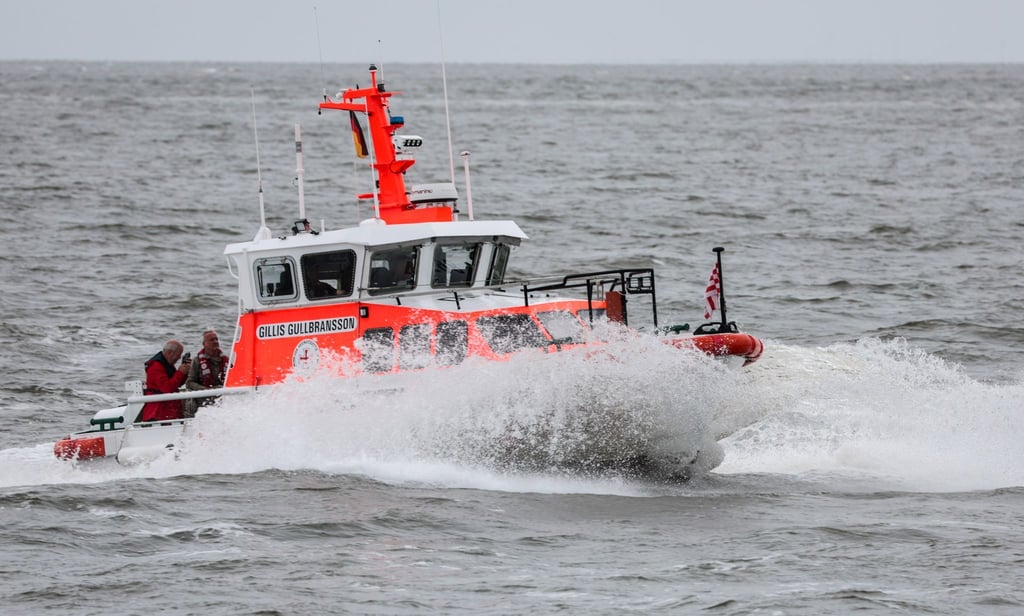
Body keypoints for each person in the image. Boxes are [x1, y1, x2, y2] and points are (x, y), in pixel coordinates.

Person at [140, 339, 190, 422]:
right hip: (158, 412)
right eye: (178, 355)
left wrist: (185, 373)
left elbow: (176, 383)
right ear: (170, 353)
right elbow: (167, 388)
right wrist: (180, 372)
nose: (179, 358)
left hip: (167, 409)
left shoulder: (166, 364)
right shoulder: (156, 366)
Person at [183, 330, 227, 417]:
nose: (215, 342)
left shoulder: (226, 360)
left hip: (222, 399)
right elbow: (190, 383)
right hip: (202, 401)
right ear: (204, 344)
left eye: (216, 339)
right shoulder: (197, 361)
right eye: (212, 340)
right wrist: (206, 390)